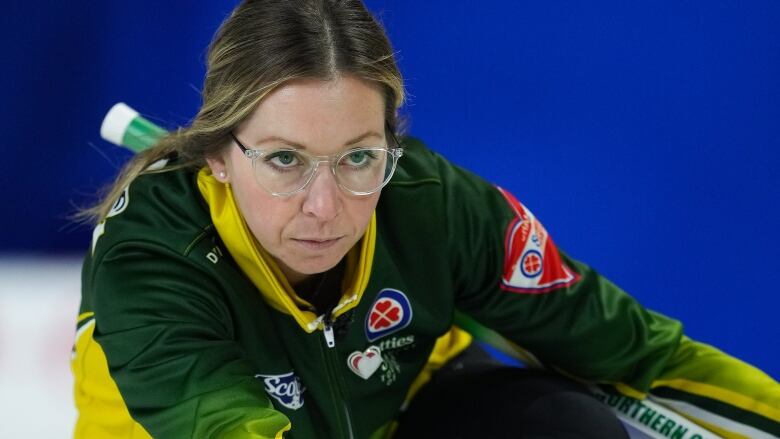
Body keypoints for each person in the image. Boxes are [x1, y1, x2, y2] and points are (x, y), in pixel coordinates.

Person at [72, 0, 779, 438]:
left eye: (358, 157)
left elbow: (639, 355)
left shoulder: (427, 203)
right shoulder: (152, 253)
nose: (326, 207)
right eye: (285, 160)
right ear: (218, 156)